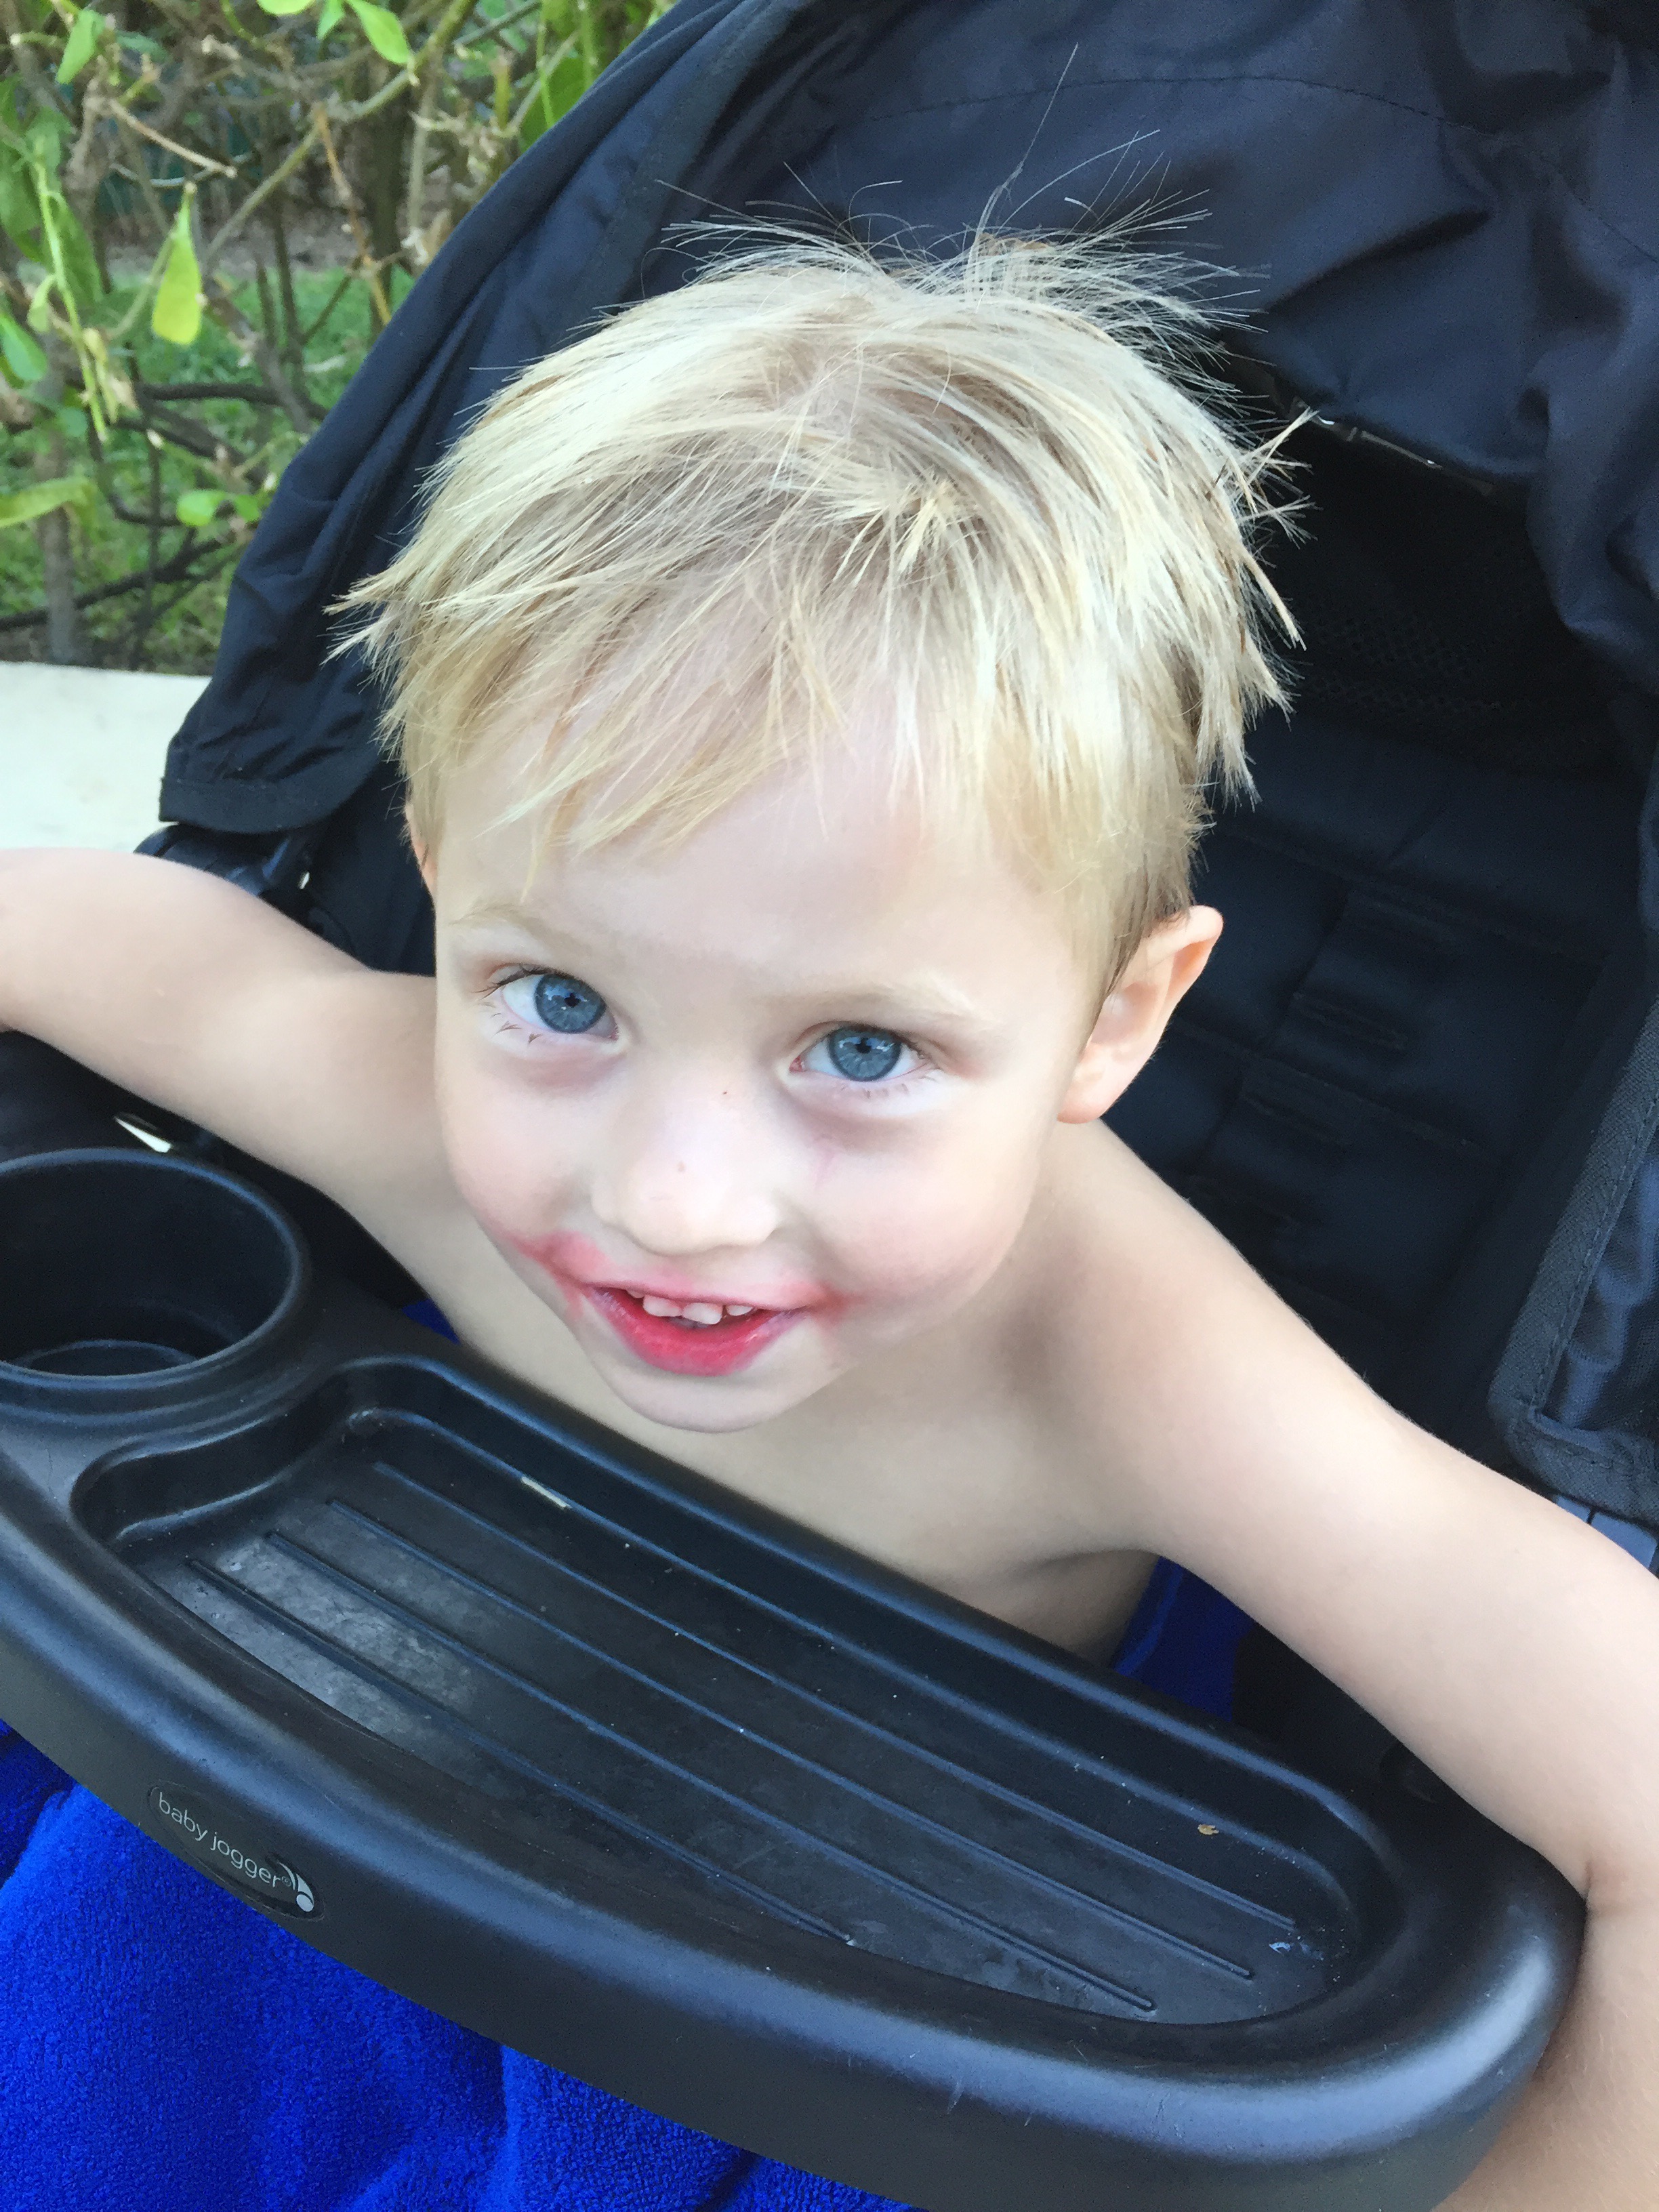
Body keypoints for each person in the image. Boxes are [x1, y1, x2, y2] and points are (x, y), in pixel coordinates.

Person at [1, 233, 1656, 2212]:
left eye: (860, 1051)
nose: (673, 1199)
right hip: (345, 1793)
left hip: (882, 2003)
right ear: (445, 887)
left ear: (1116, 1020)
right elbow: (127, 945)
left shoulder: (1114, 1356)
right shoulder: (407, 1106)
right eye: (561, 999)